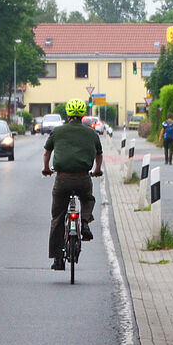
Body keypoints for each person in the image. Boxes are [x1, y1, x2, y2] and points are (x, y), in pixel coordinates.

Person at [42, 99, 103, 271]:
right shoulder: (92, 134)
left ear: (68, 114)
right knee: (88, 199)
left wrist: (46, 168)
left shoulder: (58, 131)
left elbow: (47, 152)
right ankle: (84, 221)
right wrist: (97, 170)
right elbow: (99, 154)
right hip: (83, 178)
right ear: (83, 115)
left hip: (62, 179)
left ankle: (57, 259)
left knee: (57, 218)